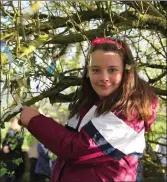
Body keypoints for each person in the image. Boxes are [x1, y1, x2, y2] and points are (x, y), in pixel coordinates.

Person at [19, 37, 158, 182]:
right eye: (96, 70)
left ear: (126, 72)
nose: (104, 77)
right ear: (87, 72)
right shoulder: (90, 106)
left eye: (112, 70)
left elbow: (77, 149)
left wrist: (35, 121)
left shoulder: (129, 113)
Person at [2, 118, 24, 182]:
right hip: (8, 159)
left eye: (13, 123)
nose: (12, 124)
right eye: (12, 123)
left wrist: (8, 148)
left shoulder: (19, 134)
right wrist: (5, 146)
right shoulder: (9, 133)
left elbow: (18, 143)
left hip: (15, 159)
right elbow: (4, 142)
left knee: (13, 177)